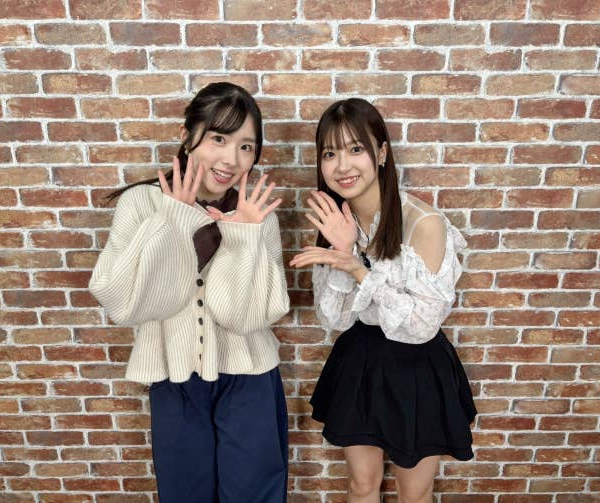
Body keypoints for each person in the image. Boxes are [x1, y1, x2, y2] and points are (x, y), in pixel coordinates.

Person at [90, 82, 290, 503]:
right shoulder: (142, 204)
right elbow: (126, 304)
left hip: (251, 378)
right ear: (187, 135)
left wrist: (243, 238)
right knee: (185, 494)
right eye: (219, 139)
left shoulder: (257, 215)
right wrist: (173, 221)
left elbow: (242, 317)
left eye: (246, 147)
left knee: (255, 495)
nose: (231, 159)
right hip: (175, 378)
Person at [290, 98, 477, 503]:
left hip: (418, 366)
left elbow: (423, 326)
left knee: (415, 493)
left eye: (356, 148)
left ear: (381, 153)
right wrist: (342, 252)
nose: (342, 165)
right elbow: (336, 319)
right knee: (361, 485)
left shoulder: (424, 223)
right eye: (330, 153)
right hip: (361, 358)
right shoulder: (335, 222)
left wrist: (356, 267)